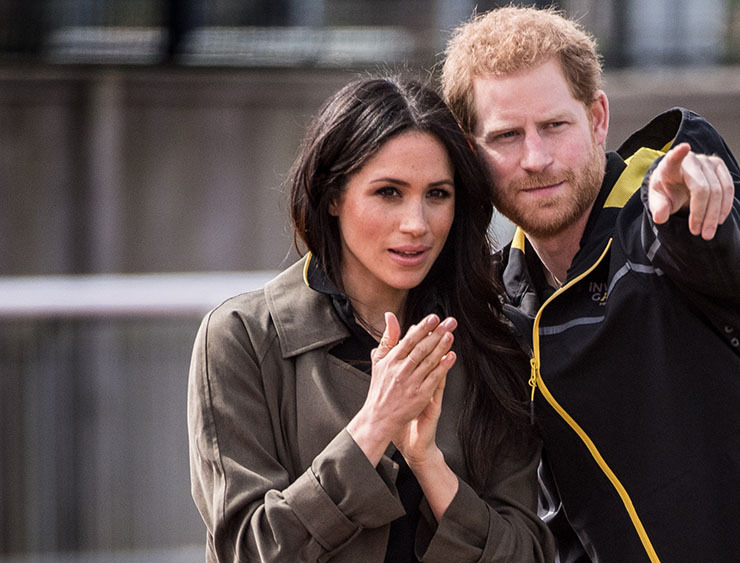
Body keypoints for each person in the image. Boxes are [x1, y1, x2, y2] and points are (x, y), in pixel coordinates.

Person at [441, 6, 740, 562]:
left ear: (597, 119)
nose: (537, 158)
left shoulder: (663, 220)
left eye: (554, 125)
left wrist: (686, 216)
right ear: (472, 153)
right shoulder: (504, 318)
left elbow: (726, 258)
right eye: (507, 136)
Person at [186, 76, 554, 562]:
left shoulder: (492, 341)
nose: (417, 224)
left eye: (437, 194)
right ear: (333, 195)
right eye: (388, 192)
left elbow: (528, 553)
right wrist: (374, 426)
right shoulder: (241, 339)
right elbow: (249, 551)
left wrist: (429, 466)